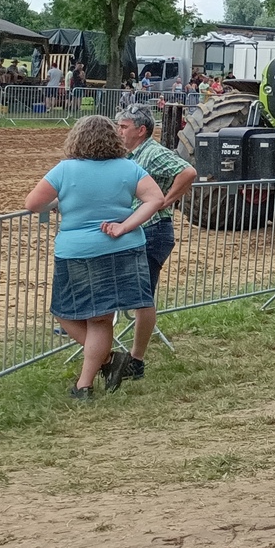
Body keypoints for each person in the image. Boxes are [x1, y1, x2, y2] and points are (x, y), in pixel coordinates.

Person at [24, 115, 164, 400]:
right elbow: (155, 198)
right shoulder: (129, 167)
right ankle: (101, 368)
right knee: (101, 319)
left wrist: (57, 203)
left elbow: (33, 204)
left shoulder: (65, 169)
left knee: (65, 313)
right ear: (114, 138)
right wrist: (126, 225)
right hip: (123, 247)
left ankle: (90, 380)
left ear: (77, 138)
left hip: (77, 251)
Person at [113, 105, 198, 385]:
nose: (119, 131)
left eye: (124, 127)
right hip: (142, 229)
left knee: (142, 297)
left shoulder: (153, 152)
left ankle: (136, 360)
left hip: (153, 230)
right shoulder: (133, 154)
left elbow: (187, 172)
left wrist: (166, 200)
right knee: (137, 293)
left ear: (141, 130)